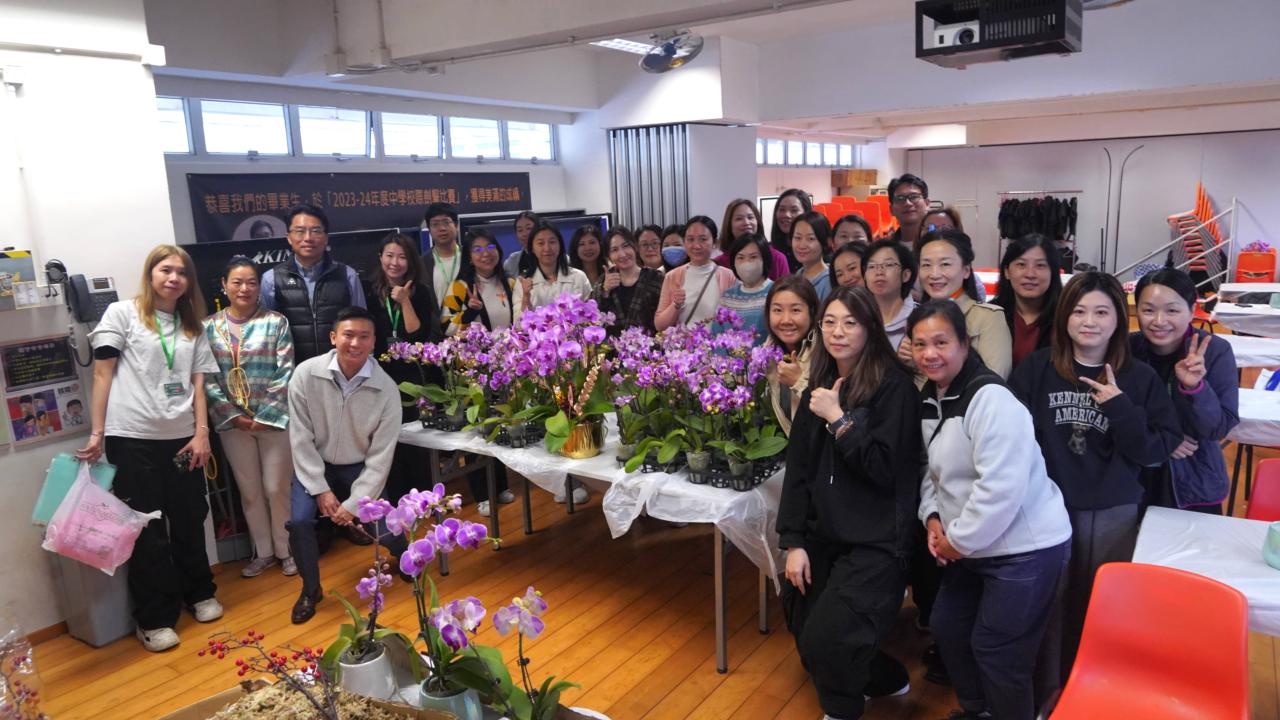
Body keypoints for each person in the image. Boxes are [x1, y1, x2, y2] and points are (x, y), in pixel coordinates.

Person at [1008, 271, 1181, 685]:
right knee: (1049, 605)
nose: (1089, 321)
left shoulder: (1140, 378)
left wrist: (1120, 407)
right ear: (1064, 317)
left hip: (1113, 511)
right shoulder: (1036, 370)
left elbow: (1156, 451)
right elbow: (1011, 438)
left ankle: (1098, 687)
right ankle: (1050, 692)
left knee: (1104, 605)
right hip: (1048, 508)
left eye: (1102, 312)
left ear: (1119, 319)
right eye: (1079, 311)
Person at [910, 300, 1072, 720]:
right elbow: (931, 470)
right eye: (920, 344)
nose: (930, 353)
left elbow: (1000, 488)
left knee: (998, 650)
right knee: (948, 626)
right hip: (971, 544)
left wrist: (957, 542)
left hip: (1024, 548)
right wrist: (932, 517)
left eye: (941, 342)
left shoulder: (991, 399)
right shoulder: (932, 398)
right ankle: (979, 711)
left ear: (965, 344)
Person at [778, 285, 920, 720]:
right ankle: (883, 678)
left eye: (850, 323)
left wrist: (839, 420)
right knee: (801, 620)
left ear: (870, 328)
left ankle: (842, 710)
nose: (838, 332)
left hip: (877, 541)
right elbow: (799, 469)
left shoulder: (896, 389)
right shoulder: (820, 384)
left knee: (828, 639)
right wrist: (794, 541)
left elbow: (885, 469)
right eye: (829, 322)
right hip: (825, 534)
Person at [77, 244, 223, 652]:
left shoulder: (192, 326)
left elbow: (198, 384)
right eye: (166, 270)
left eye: (182, 272)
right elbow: (102, 375)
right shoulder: (122, 314)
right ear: (150, 273)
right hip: (132, 438)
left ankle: (199, 592)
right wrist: (97, 433)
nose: (174, 278)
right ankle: (154, 617)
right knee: (146, 529)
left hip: (183, 438)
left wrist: (202, 433)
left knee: (190, 517)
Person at [285, 306, 407, 624]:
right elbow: (300, 438)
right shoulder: (306, 375)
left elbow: (381, 457)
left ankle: (406, 556)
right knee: (299, 522)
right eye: (348, 335)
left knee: (383, 527)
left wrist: (353, 505)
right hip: (316, 465)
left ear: (374, 341)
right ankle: (310, 590)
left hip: (359, 468)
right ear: (333, 337)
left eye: (364, 336)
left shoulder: (386, 389)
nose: (355, 343)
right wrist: (320, 489)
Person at [204, 256, 296, 578]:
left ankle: (286, 550)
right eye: (237, 282)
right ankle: (264, 552)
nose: (244, 288)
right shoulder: (207, 327)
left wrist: (265, 414)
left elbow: (286, 371)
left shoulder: (276, 322)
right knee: (250, 491)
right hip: (233, 424)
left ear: (259, 286)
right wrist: (232, 415)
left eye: (251, 282)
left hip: (274, 421)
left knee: (276, 488)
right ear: (224, 285)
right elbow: (206, 378)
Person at [1131, 268, 1239, 513]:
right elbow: (1114, 414)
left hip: (1194, 478)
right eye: (1148, 310)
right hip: (1135, 475)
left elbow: (1218, 428)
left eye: (1172, 310)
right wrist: (1162, 440)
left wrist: (1196, 387)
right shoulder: (1126, 349)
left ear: (1192, 311)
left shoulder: (1214, 351)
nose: (1159, 321)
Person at [368, 234, 444, 515]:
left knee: (417, 441)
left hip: (413, 375)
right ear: (380, 257)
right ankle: (397, 504)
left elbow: (417, 335)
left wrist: (404, 301)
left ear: (410, 261)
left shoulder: (420, 291)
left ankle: (424, 502)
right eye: (389, 255)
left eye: (401, 257)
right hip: (380, 374)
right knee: (389, 441)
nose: (394, 262)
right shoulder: (369, 291)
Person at [260, 204, 366, 362]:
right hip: (292, 370)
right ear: (288, 237)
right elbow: (267, 334)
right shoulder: (271, 279)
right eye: (300, 231)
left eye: (315, 231)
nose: (308, 238)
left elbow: (362, 326)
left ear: (326, 237)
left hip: (340, 367)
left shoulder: (347, 275)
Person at [916, 230, 1012, 378]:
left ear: (966, 270)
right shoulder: (916, 318)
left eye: (945, 264)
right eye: (926, 265)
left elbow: (994, 379)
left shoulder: (989, 317)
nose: (934, 274)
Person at [993, 233, 1063, 369]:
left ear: (1053, 273)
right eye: (1021, 264)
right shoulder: (991, 314)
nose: (1030, 274)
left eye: (1040, 265)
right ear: (1007, 272)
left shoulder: (1066, 316)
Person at [655, 216, 736, 330]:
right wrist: (675, 305)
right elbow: (659, 325)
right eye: (690, 239)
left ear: (715, 243)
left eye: (703, 239)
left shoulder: (729, 276)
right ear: (684, 242)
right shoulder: (672, 276)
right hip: (683, 341)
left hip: (718, 341)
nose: (696, 246)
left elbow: (735, 320)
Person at [765, 276, 820, 436]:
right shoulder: (769, 350)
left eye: (795, 310)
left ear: (812, 312)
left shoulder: (826, 352)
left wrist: (799, 382)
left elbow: (833, 418)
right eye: (777, 310)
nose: (786, 320)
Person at [444, 227, 520, 334]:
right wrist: (470, 312)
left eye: (490, 247)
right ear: (469, 258)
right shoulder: (459, 287)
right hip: (477, 345)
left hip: (510, 344)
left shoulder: (510, 283)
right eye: (477, 250)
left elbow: (520, 322)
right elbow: (446, 327)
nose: (486, 254)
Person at [593, 226, 662, 336]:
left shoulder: (656, 278)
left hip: (650, 345)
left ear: (635, 247)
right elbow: (593, 319)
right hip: (611, 346)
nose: (622, 254)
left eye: (626, 246)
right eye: (614, 250)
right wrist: (605, 291)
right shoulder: (604, 280)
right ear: (609, 257)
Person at [514, 222, 593, 315]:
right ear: (532, 248)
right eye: (540, 243)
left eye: (552, 242)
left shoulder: (578, 277)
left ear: (560, 245)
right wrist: (526, 296)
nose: (547, 248)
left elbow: (591, 315)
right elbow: (519, 322)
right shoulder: (522, 283)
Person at [714, 232, 773, 343]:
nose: (747, 263)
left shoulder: (776, 292)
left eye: (753, 257)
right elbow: (717, 335)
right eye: (740, 258)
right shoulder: (727, 296)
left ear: (765, 259)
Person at [715, 199, 790, 281]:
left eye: (750, 217)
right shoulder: (719, 264)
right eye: (739, 219)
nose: (746, 222)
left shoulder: (777, 258)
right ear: (729, 225)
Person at [862, 240, 917, 352]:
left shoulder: (919, 317)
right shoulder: (858, 317)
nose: (879, 272)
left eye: (889, 265)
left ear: (905, 275)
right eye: (871, 266)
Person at [423, 202, 464, 307]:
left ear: (456, 225)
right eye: (435, 224)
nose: (442, 228)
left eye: (446, 222)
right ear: (429, 229)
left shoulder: (470, 256)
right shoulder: (422, 263)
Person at [791, 211, 832, 302]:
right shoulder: (798, 275)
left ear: (824, 242)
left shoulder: (828, 282)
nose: (802, 245)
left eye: (810, 239)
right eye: (797, 238)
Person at [771, 188, 812, 272]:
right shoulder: (770, 251)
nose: (786, 215)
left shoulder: (816, 250)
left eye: (794, 210)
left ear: (806, 213)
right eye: (782, 209)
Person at [887, 174, 929, 250]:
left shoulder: (939, 243)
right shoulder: (885, 249)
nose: (908, 203)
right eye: (900, 198)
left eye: (914, 197)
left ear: (927, 204)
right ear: (891, 209)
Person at [502, 210, 541, 280]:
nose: (524, 234)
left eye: (529, 228)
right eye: (520, 230)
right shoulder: (512, 261)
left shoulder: (552, 256)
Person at [569, 224, 608, 291]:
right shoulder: (569, 276)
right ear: (575, 248)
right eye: (582, 244)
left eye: (592, 242)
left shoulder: (610, 271)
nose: (588, 248)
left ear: (600, 244)